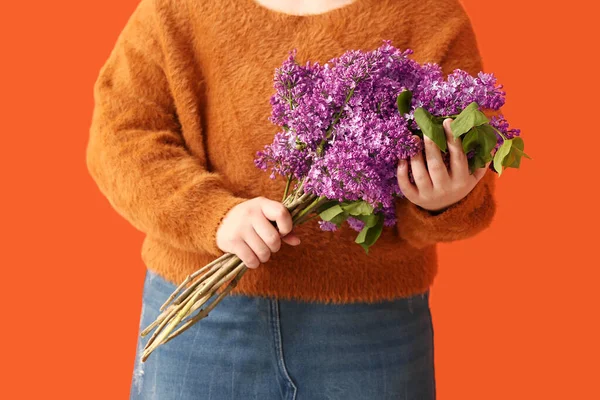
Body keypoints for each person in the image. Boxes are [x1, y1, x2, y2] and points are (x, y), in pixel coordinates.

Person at [86, 0, 497, 398]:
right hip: (204, 322)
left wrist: (445, 200)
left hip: (369, 328)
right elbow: (120, 136)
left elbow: (469, 173)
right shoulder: (177, 7)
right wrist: (214, 216)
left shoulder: (430, 14)